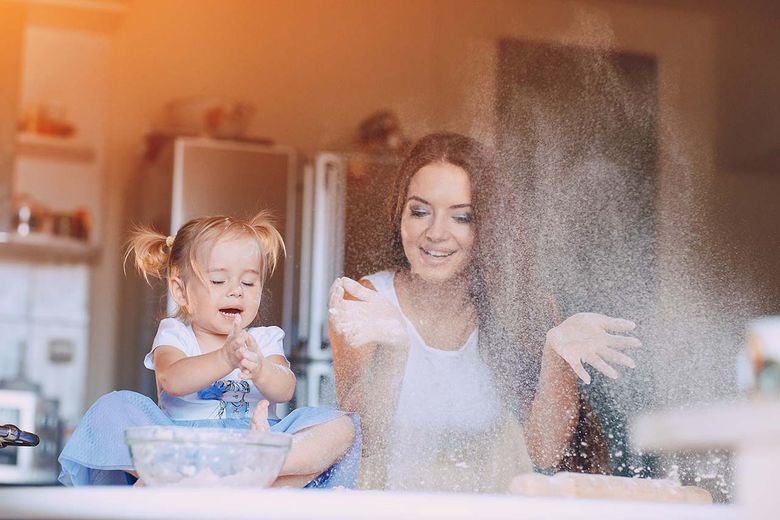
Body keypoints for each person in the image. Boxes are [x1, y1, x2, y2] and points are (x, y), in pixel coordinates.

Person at [328, 133, 640, 492]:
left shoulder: (519, 308)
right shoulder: (364, 300)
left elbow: (546, 452)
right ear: (400, 213)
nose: (436, 233)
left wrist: (557, 357)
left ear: (486, 227)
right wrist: (396, 347)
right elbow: (364, 443)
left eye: (461, 217)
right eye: (419, 211)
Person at [59, 212, 359, 488]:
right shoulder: (175, 334)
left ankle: (256, 471)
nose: (236, 290)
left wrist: (263, 369)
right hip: (185, 450)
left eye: (249, 282)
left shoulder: (264, 339)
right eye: (218, 280)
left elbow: (285, 389)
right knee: (111, 410)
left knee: (341, 427)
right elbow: (172, 380)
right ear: (180, 291)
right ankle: (220, 482)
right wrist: (224, 357)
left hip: (256, 445)